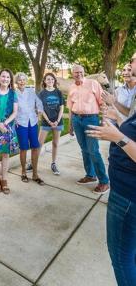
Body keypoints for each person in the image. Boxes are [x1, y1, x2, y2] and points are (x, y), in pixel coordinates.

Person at [86, 107, 136, 286]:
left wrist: (117, 137)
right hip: (125, 193)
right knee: (130, 253)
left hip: (128, 198)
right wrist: (120, 120)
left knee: (121, 258)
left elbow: (126, 140)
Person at [67, 64, 109, 194]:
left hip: (91, 119)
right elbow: (70, 106)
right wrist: (70, 124)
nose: (78, 74)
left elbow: (103, 103)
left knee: (93, 150)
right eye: (75, 72)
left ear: (83, 72)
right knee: (84, 149)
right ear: (72, 74)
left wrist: (103, 120)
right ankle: (90, 175)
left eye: (80, 72)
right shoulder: (72, 87)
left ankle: (104, 181)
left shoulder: (93, 83)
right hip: (76, 119)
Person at [14, 72, 44, 184]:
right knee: (23, 148)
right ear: (16, 82)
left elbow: (39, 103)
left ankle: (35, 174)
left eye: (23, 80)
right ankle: (23, 172)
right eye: (19, 80)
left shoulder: (31, 92)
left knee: (35, 147)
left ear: (26, 81)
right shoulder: (14, 94)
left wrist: (39, 113)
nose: (22, 81)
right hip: (21, 123)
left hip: (33, 122)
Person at [38, 73, 65, 175]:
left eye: (52, 79)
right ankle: (33, 162)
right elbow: (41, 109)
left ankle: (53, 163)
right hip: (46, 122)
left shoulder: (58, 92)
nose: (50, 81)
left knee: (55, 143)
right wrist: (49, 121)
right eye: (48, 79)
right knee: (39, 144)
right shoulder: (42, 94)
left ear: (54, 81)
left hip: (57, 122)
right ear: (44, 81)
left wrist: (57, 121)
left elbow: (62, 107)